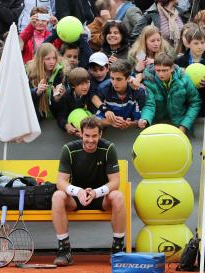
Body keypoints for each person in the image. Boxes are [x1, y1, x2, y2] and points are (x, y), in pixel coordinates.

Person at [51, 116, 126, 266]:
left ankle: (117, 250)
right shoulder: (69, 149)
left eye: (94, 136)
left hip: (101, 197)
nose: (90, 140)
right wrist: (77, 191)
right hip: (75, 198)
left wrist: (96, 192)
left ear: (100, 135)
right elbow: (61, 182)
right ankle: (64, 250)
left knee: (118, 196)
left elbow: (115, 182)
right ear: (81, 134)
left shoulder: (109, 148)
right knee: (58, 196)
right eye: (87, 135)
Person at [138, 52, 201, 133]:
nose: (161, 74)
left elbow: (195, 102)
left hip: (180, 126)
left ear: (172, 68)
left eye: (164, 70)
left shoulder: (184, 79)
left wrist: (185, 125)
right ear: (154, 68)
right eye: (158, 70)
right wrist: (145, 119)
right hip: (157, 127)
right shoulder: (149, 81)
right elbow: (149, 104)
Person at [95, 59, 146, 128]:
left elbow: (141, 119)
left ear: (128, 78)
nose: (114, 83)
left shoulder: (139, 92)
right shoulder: (103, 89)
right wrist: (110, 122)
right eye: (112, 78)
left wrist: (130, 124)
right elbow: (95, 118)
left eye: (119, 79)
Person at [27, 42, 67, 121]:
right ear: (40, 59)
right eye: (48, 59)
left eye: (54, 58)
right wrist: (37, 92)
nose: (52, 62)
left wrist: (57, 99)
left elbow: (61, 108)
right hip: (35, 119)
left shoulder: (60, 72)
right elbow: (24, 97)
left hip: (53, 118)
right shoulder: (30, 72)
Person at [175, 26, 205, 116]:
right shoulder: (178, 62)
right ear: (188, 44)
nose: (200, 46)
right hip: (186, 106)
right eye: (196, 43)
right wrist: (179, 76)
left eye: (202, 43)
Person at [55, 67, 92, 135]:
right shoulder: (66, 96)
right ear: (73, 85)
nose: (85, 87)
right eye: (81, 84)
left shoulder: (91, 94)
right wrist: (66, 126)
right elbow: (61, 116)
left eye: (87, 82)